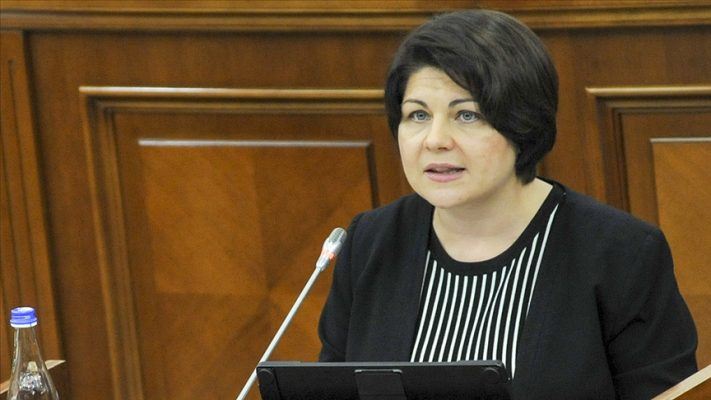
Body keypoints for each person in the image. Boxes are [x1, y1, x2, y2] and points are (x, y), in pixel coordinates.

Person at [317, 8, 698, 399]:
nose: (435, 140)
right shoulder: (370, 242)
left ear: (522, 123)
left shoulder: (622, 253)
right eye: (417, 115)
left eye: (467, 115)